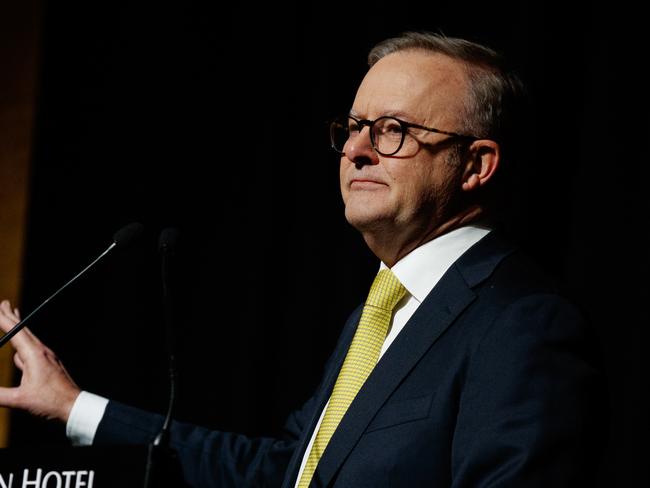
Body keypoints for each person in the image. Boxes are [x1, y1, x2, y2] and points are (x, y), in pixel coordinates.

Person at [0, 31, 606, 487]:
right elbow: (284, 473)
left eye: (393, 129)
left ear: (476, 165)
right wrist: (74, 407)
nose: (357, 149)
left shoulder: (523, 324)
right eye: (354, 126)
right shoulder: (381, 314)